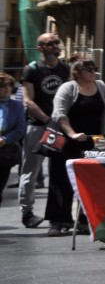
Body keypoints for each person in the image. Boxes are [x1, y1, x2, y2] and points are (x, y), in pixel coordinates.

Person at [47, 57, 105, 236]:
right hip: (68, 141)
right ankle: (58, 220)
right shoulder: (68, 88)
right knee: (62, 180)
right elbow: (59, 114)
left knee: (89, 180)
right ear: (77, 72)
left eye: (94, 68)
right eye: (88, 69)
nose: (92, 72)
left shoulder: (101, 86)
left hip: (94, 140)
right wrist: (72, 133)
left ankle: (84, 219)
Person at [18, 32, 69, 228]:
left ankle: (59, 214)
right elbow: (28, 101)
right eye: (51, 43)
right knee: (30, 171)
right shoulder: (31, 70)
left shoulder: (65, 68)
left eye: (57, 42)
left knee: (58, 172)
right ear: (40, 48)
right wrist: (49, 121)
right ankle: (27, 212)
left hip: (58, 129)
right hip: (37, 127)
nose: (56, 45)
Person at [0, 73, 26, 207]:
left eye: (9, 85)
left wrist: (5, 139)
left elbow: (20, 128)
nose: (7, 88)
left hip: (5, 152)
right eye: (3, 86)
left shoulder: (16, 106)